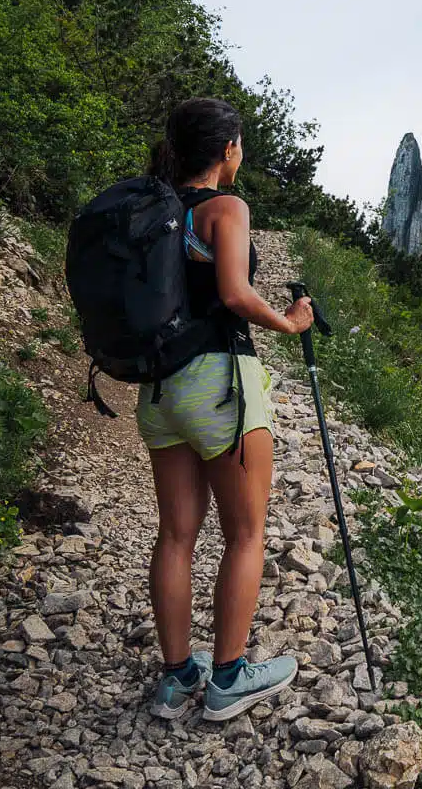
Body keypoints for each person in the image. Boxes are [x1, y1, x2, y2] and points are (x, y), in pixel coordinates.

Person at [138, 97, 314, 721]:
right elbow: (236, 293)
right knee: (244, 533)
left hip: (159, 392)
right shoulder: (225, 207)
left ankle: (176, 677)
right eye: (240, 145)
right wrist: (290, 324)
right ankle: (230, 677)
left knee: (177, 533)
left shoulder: (154, 209)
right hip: (219, 384)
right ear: (227, 149)